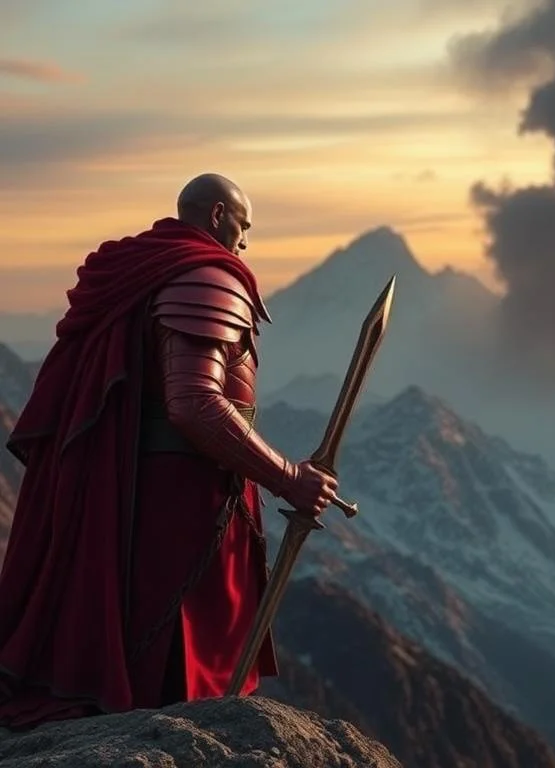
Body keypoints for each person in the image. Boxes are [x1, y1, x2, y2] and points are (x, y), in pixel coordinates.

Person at [0, 173, 338, 729]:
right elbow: (195, 403)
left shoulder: (142, 273)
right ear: (215, 217)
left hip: (134, 494)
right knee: (177, 670)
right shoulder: (205, 280)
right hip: (182, 506)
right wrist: (288, 478)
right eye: (242, 225)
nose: (244, 242)